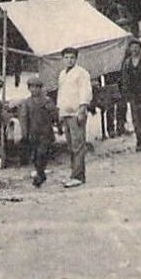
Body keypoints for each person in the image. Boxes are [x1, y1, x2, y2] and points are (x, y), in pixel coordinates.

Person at [55, 47, 94, 188]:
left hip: (76, 113)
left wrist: (82, 109)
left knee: (78, 145)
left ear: (76, 59)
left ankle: (78, 176)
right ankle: (74, 173)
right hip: (65, 112)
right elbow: (61, 94)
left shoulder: (81, 73)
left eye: (72, 57)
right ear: (63, 59)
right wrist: (59, 112)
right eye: (66, 57)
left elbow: (85, 91)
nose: (69, 60)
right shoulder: (62, 74)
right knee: (71, 146)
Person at [17, 74, 58, 187]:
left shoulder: (47, 101)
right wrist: (24, 134)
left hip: (45, 133)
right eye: (32, 87)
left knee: (42, 154)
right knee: (35, 156)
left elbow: (55, 115)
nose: (34, 89)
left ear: (41, 88)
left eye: (37, 87)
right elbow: (23, 118)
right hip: (33, 133)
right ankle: (41, 174)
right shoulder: (27, 102)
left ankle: (40, 175)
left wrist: (54, 116)